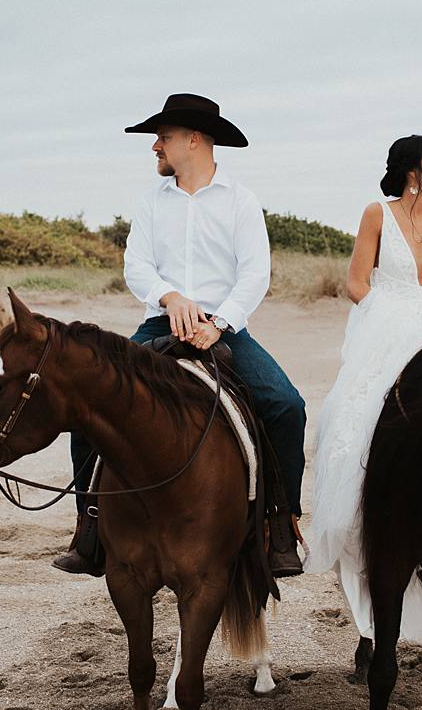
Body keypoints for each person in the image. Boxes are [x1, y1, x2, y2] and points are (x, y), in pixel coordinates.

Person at [52, 92, 306, 578]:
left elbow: (256, 275)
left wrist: (219, 323)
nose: (155, 147)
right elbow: (137, 267)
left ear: (193, 140)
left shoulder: (241, 201)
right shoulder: (151, 203)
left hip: (224, 326)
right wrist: (171, 298)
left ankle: (279, 522)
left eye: (162, 138)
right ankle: (90, 525)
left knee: (286, 405)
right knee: (89, 406)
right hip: (159, 322)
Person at [309, 134, 422, 642]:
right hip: (386, 326)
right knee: (348, 414)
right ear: (412, 170)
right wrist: (396, 315)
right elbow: (356, 283)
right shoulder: (376, 214)